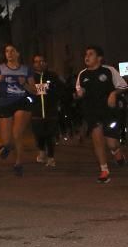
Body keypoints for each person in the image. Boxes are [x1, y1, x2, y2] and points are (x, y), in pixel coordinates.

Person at [73, 45, 127, 183]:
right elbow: (78, 92)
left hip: (109, 112)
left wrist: (113, 93)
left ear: (99, 58)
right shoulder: (82, 74)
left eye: (91, 54)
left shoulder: (109, 70)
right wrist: (79, 94)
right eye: (86, 54)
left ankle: (117, 152)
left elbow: (123, 86)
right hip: (92, 112)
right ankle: (104, 170)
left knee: (112, 144)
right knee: (97, 139)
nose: (87, 56)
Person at [0, 44, 32, 176]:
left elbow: (35, 89)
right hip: (4, 103)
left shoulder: (25, 69)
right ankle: (7, 146)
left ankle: (19, 163)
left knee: (17, 133)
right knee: (6, 141)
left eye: (12, 51)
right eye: (7, 51)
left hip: (21, 102)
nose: (9, 53)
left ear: (18, 54)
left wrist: (24, 84)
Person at [27, 54, 63, 168]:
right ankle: (41, 151)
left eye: (42, 61)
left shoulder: (53, 76)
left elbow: (59, 89)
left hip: (50, 111)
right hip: (36, 112)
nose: (39, 63)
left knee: (50, 135)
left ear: (46, 63)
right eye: (37, 61)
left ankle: (51, 157)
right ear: (33, 64)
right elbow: (28, 92)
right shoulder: (31, 77)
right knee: (39, 134)